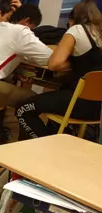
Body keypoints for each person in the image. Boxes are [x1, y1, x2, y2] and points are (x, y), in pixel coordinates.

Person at [16, 0, 102, 140]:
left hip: (79, 103)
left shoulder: (76, 30)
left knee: (23, 108)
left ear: (72, 19)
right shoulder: (99, 31)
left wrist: (71, 61)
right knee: (55, 100)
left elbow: (54, 65)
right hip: (98, 109)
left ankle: (47, 145)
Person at [0, 4, 54, 110]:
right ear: (27, 21)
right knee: (33, 98)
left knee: (7, 87)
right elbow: (52, 58)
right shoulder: (21, 32)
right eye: (32, 28)